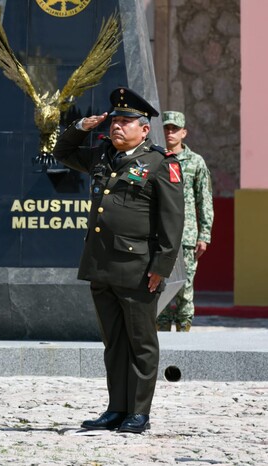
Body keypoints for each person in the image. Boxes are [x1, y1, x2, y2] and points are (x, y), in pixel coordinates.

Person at [52, 87, 184, 434]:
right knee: (114, 344)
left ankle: (138, 412)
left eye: (126, 122)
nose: (117, 127)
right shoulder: (102, 157)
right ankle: (116, 408)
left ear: (144, 129)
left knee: (140, 343)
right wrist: (82, 125)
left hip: (139, 270)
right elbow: (61, 151)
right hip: (101, 265)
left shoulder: (160, 164)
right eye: (114, 121)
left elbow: (173, 222)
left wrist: (161, 268)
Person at [156, 111, 214, 332]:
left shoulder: (195, 162)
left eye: (174, 129)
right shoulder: (155, 158)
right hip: (159, 236)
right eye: (166, 128)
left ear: (184, 132)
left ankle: (184, 338)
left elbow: (204, 200)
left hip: (186, 237)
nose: (170, 132)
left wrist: (204, 235)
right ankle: (160, 339)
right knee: (158, 288)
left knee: (185, 291)